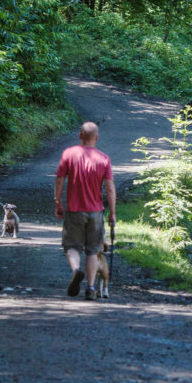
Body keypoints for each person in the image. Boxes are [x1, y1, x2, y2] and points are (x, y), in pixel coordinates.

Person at [54, 122, 117, 300]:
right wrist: (112, 213)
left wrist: (58, 203)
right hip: (95, 212)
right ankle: (90, 288)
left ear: (79, 135)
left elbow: (59, 180)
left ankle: (76, 270)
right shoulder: (104, 159)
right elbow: (110, 188)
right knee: (92, 251)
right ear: (96, 138)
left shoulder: (68, 154)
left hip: (74, 210)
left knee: (72, 246)